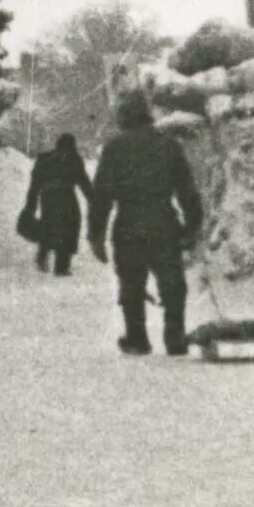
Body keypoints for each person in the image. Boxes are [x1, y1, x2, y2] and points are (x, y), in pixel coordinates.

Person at [86, 90, 202, 357]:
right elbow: (187, 190)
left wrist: (96, 235)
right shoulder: (169, 145)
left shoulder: (114, 148)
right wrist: (192, 225)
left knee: (131, 284)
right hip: (163, 222)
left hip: (128, 225)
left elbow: (101, 195)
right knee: (172, 283)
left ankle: (137, 339)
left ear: (123, 116)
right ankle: (175, 337)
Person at [19, 132, 90, 274]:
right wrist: (95, 200)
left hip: (48, 198)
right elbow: (84, 183)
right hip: (67, 197)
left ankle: (42, 256)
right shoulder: (74, 159)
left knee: (49, 226)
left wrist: (30, 207)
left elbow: (34, 186)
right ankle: (62, 267)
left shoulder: (44, 159)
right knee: (69, 229)